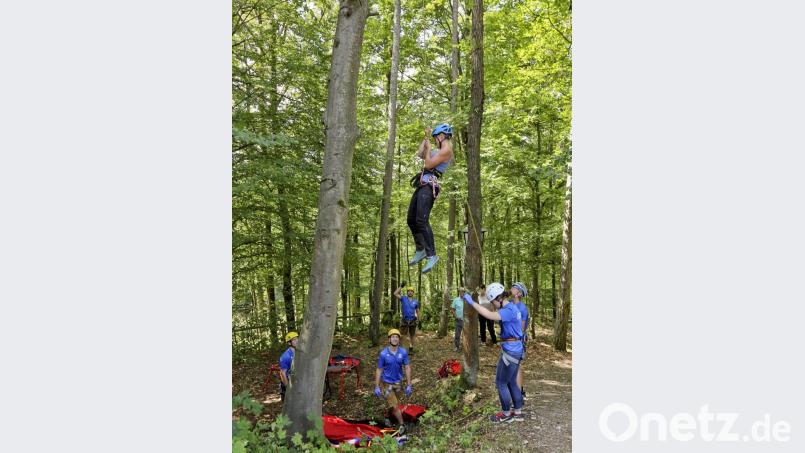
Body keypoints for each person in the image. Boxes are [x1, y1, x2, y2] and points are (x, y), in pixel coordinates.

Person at [463, 283, 525, 423]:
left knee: (501, 382)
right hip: (515, 348)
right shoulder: (512, 307)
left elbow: (489, 315)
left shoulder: (508, 310)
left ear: (499, 298)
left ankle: (506, 413)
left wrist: (472, 302)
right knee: (511, 381)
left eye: (492, 302)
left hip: (511, 351)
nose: (493, 305)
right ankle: (518, 411)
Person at [407, 124, 454, 274]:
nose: (434, 141)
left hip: (429, 187)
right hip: (422, 184)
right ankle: (421, 249)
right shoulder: (437, 151)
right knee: (411, 219)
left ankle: (431, 255)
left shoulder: (446, 150)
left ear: (441, 137)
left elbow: (427, 163)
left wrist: (428, 150)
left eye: (435, 138)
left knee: (421, 220)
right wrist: (426, 137)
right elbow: (420, 153)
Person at [374, 329, 413, 434]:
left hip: (398, 383)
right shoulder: (383, 354)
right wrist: (377, 386)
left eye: (397, 337)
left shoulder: (403, 352)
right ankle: (402, 425)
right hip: (387, 384)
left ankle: (387, 416)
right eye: (393, 337)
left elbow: (407, 367)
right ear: (389, 339)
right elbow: (379, 369)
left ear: (399, 339)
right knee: (395, 406)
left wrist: (409, 384)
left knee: (395, 403)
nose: (395, 339)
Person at [510, 282, 530, 398]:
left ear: (519, 293)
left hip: (516, 341)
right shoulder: (510, 304)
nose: (511, 288)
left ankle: (519, 393)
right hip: (508, 340)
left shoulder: (522, 309)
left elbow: (521, 329)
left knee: (517, 367)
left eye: (514, 288)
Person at [393, 285, 420, 353]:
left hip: (413, 320)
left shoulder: (416, 301)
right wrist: (401, 286)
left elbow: (417, 311)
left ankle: (411, 348)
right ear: (407, 292)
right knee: (401, 335)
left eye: (411, 291)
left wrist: (419, 320)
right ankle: (399, 348)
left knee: (412, 335)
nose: (410, 292)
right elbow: (395, 293)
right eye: (409, 291)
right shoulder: (403, 298)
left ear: (413, 293)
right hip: (404, 320)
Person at [278, 331, 298, 401]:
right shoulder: (285, 356)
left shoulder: (299, 352)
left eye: (297, 338)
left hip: (296, 381)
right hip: (288, 382)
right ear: (289, 343)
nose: (297, 341)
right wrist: (288, 387)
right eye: (294, 340)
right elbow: (282, 373)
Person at [450, 287, 466, 352]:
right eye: (461, 291)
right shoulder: (456, 300)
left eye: (463, 291)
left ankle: (466, 348)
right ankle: (457, 347)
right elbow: (452, 309)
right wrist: (456, 316)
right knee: (457, 335)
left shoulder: (467, 300)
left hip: (466, 321)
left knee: (466, 336)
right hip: (458, 320)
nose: (462, 293)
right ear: (459, 292)